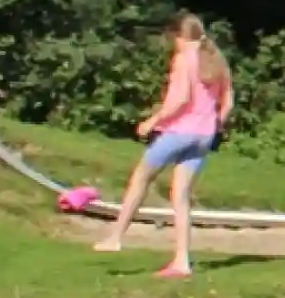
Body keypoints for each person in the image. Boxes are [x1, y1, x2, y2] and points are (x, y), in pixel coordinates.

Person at [93, 14, 233, 277]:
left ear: (179, 36)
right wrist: (215, 126)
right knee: (180, 195)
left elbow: (179, 100)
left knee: (141, 177)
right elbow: (228, 104)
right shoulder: (217, 60)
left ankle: (115, 237)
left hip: (179, 132)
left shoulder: (184, 60)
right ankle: (182, 261)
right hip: (204, 136)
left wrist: (152, 121)